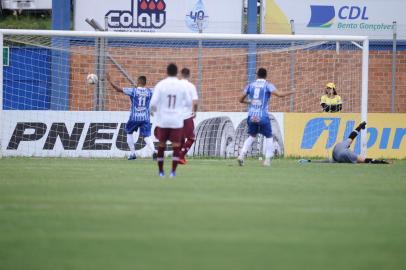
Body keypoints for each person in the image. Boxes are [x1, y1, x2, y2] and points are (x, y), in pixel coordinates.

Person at [237, 68, 294, 166]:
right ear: (266, 75)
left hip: (251, 116)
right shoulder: (268, 85)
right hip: (262, 116)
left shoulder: (250, 85)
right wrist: (291, 91)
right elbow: (280, 95)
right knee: (268, 136)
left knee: (252, 136)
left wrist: (249, 101)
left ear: (257, 75)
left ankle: (241, 155)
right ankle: (267, 160)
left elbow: (240, 99)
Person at [150, 63, 192, 178]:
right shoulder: (181, 86)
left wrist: (154, 112)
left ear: (167, 72)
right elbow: (189, 103)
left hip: (163, 120)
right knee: (176, 146)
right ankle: (173, 172)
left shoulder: (161, 85)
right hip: (176, 121)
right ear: (176, 72)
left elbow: (153, 104)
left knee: (161, 145)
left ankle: (161, 172)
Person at [106, 74, 157, 160]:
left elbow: (118, 89)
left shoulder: (133, 91)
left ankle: (133, 154)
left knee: (129, 132)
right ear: (145, 83)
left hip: (134, 117)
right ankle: (154, 152)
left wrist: (110, 81)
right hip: (145, 118)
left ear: (138, 82)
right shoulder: (150, 91)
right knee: (147, 136)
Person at [178, 68, 199, 165]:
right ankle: (181, 155)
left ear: (181, 75)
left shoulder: (175, 86)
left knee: (181, 138)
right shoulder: (191, 86)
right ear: (189, 75)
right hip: (186, 116)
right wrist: (194, 111)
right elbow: (195, 102)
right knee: (191, 138)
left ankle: (180, 157)